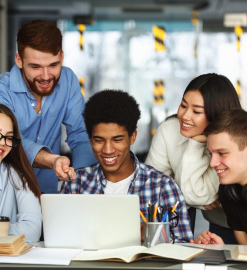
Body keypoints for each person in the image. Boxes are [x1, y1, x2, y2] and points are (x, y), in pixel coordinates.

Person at [0, 19, 96, 194]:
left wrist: (81, 180)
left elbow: (80, 135)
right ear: (19, 60)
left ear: (62, 57)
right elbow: (8, 141)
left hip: (47, 193)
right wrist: (52, 160)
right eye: (35, 67)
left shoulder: (68, 81)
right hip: (2, 193)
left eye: (53, 65)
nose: (46, 76)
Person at [60, 89, 193, 243]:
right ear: (90, 140)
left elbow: (184, 246)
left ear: (132, 137)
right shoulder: (75, 184)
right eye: (99, 140)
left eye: (117, 140)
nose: (108, 150)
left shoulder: (162, 187)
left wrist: (152, 241)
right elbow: (61, 240)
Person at [145, 73, 241, 243]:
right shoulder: (168, 131)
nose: (185, 116)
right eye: (183, 105)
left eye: (196, 111)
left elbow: (201, 195)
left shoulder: (230, 139)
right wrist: (191, 201)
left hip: (236, 221)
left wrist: (196, 144)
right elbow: (153, 188)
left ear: (216, 115)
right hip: (216, 225)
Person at [0, 101, 42, 242]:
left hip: (4, 263)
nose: (2, 142)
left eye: (8, 137)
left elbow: (32, 230)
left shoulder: (18, 176)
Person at [192, 109, 247, 245]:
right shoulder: (229, 192)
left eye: (222, 153)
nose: (212, 163)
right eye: (211, 154)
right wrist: (223, 250)